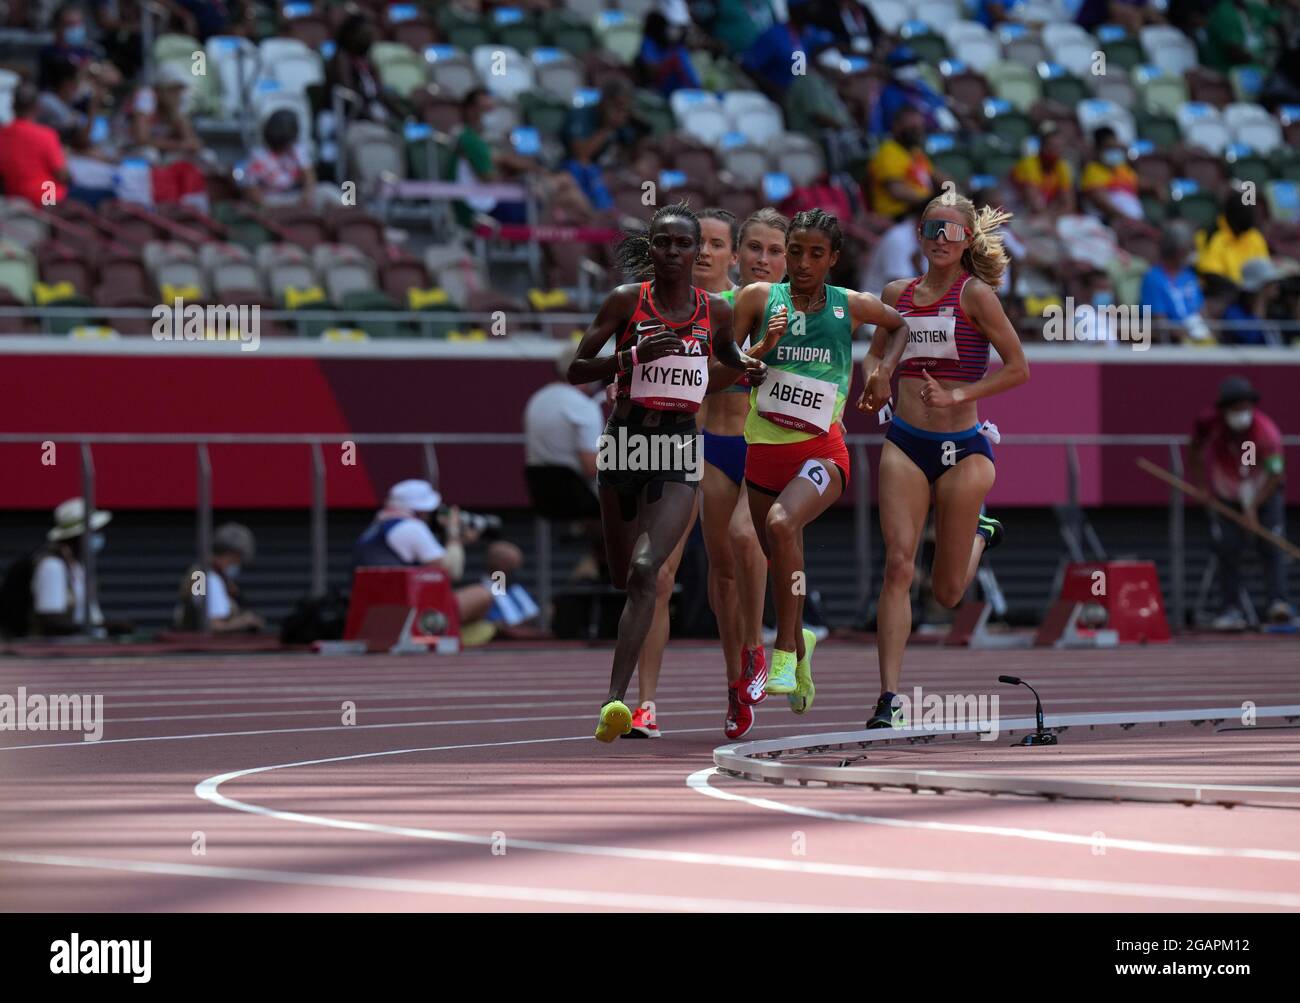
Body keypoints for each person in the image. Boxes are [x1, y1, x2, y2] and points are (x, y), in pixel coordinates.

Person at [566, 202, 764, 742]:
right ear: (650, 249)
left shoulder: (716, 311)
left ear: (698, 251)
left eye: (683, 244)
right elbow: (576, 368)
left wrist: (750, 365)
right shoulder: (626, 301)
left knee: (647, 571)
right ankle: (622, 692)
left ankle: (615, 703)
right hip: (625, 445)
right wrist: (629, 359)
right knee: (620, 573)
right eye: (664, 243)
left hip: (678, 444)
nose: (674, 252)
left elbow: (724, 362)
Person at [735, 209, 909, 715]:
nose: (803, 263)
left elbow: (899, 327)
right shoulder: (760, 298)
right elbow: (722, 360)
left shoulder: (851, 305)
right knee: (778, 548)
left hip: (822, 452)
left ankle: (785, 651)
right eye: (795, 252)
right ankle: (802, 641)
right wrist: (761, 349)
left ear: (833, 258)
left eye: (816, 255)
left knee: (782, 524)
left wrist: (880, 372)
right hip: (763, 452)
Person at [867, 195, 1029, 729]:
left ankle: (982, 532)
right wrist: (875, 375)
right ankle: (889, 698)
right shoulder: (897, 295)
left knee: (948, 592)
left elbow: (1018, 369)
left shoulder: (976, 295)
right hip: (906, 441)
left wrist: (960, 398)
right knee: (898, 565)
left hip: (964, 450)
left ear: (966, 240)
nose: (940, 237)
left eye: (950, 230)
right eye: (931, 228)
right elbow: (876, 352)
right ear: (918, 234)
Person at [619, 208, 742, 738]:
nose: (708, 253)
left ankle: (738, 690)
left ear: (732, 254)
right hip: (677, 443)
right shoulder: (651, 301)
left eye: (719, 244)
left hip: (736, 447)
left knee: (726, 577)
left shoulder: (746, 305)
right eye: (702, 243)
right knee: (657, 574)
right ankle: (645, 705)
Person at [700, 207, 789, 739]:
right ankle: (736, 685)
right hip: (717, 446)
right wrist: (753, 352)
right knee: (723, 574)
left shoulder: (806, 312)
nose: (763, 259)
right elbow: (706, 381)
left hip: (770, 448)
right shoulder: (719, 309)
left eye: (775, 251)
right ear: (738, 254)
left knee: (746, 540)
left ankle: (763, 648)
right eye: (754, 248)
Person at [1189, 375, 1292, 626]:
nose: (1241, 414)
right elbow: (1195, 449)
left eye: (1245, 409)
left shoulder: (1265, 433)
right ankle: (1230, 607)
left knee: (1271, 545)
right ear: (1224, 410)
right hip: (1227, 495)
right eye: (1235, 409)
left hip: (1263, 494)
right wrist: (1202, 487)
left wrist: (1253, 507)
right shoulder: (1209, 424)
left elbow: (1276, 474)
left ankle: (1277, 602)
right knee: (1227, 547)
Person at [351, 479, 497, 639]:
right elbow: (451, 572)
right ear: (421, 509)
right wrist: (454, 535)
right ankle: (450, 633)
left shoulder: (377, 526)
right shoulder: (412, 527)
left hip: (374, 613)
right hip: (409, 614)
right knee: (482, 594)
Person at [29, 498, 111, 636]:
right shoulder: (52, 566)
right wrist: (102, 626)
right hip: (57, 653)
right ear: (77, 536)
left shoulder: (78, 566)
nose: (98, 537)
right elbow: (51, 621)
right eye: (94, 532)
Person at [174, 522, 266, 633]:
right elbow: (212, 626)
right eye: (237, 559)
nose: (238, 564)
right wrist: (245, 621)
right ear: (229, 554)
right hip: (210, 647)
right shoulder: (209, 579)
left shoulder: (204, 574)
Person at [1139, 224, 1212, 343]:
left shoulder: (1190, 276)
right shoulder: (1153, 279)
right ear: (1179, 251)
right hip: (1174, 347)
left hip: (1200, 341)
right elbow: (1160, 323)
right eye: (1190, 248)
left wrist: (1209, 335)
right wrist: (1186, 336)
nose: (1192, 253)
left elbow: (1202, 312)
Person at [0, 84, 69, 207]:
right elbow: (62, 175)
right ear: (37, 108)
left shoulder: (2, 134)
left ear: (13, 106)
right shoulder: (46, 135)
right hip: (47, 200)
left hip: (14, 196)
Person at [239, 109, 321, 208]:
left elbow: (309, 178)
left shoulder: (297, 150)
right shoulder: (257, 157)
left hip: (296, 197)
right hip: (271, 201)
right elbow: (253, 193)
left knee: (327, 190)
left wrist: (307, 195)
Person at [868, 106, 939, 220]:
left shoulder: (915, 152)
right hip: (899, 215)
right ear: (896, 126)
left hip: (921, 210)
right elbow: (897, 191)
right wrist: (933, 202)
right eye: (911, 128)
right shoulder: (888, 151)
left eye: (919, 128)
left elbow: (935, 175)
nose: (917, 132)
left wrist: (954, 189)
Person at [1196, 196, 1270, 284]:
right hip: (1225, 292)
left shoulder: (1254, 236)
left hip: (1253, 290)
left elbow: (1264, 271)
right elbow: (1211, 275)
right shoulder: (1213, 237)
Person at [1079, 126, 1145, 223]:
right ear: (1098, 149)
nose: (1114, 152)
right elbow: (1101, 201)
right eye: (1109, 148)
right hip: (1112, 222)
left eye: (1115, 147)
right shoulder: (1092, 170)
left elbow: (1139, 183)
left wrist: (1154, 188)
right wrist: (1126, 219)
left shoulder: (1122, 168)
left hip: (1134, 221)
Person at [1011, 123, 1076, 215]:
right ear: (1041, 146)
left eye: (1058, 148)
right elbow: (1035, 205)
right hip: (1018, 213)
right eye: (1051, 146)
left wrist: (1057, 215)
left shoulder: (1062, 166)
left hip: (1049, 215)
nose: (1054, 151)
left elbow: (1069, 204)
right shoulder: (1029, 164)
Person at [635, 9, 701, 96]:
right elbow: (651, 70)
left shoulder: (678, 47)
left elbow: (690, 74)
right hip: (656, 87)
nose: (677, 31)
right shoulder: (650, 41)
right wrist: (668, 63)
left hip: (681, 89)